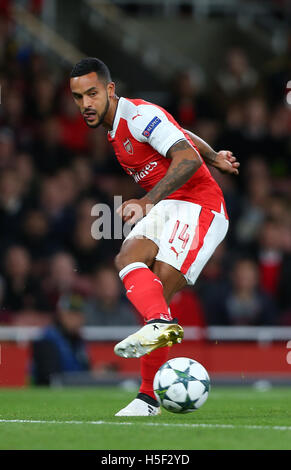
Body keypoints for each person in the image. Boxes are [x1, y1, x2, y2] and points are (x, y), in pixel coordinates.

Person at [70, 57, 239, 416]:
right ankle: (159, 331)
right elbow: (181, 132)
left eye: (92, 93)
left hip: (200, 206)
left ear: (110, 90)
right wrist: (214, 155)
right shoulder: (116, 128)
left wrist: (148, 200)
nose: (85, 104)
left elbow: (186, 158)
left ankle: (148, 395)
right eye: (78, 97)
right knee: (127, 260)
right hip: (170, 205)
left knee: (159, 291)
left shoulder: (137, 116)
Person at [31, 293, 91, 385]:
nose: (77, 319)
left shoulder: (79, 342)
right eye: (72, 314)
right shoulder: (47, 340)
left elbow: (83, 372)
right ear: (61, 315)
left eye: (79, 315)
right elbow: (48, 379)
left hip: (73, 392)